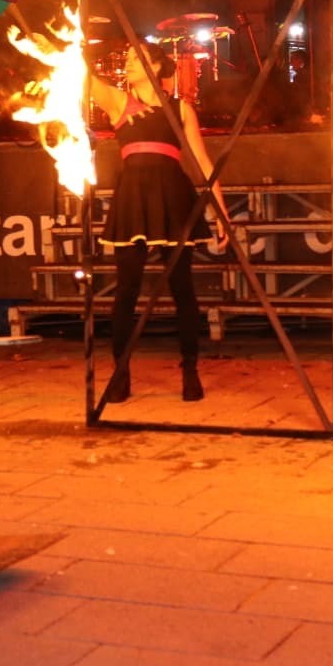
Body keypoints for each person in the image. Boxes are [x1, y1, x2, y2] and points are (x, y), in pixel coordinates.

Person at [89, 41, 226, 402]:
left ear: (154, 65)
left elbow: (204, 164)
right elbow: (77, 74)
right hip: (133, 194)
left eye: (136, 58)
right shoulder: (119, 102)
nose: (127, 64)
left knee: (182, 289)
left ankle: (190, 370)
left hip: (172, 194)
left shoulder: (181, 109)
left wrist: (223, 216)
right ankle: (120, 374)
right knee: (126, 291)